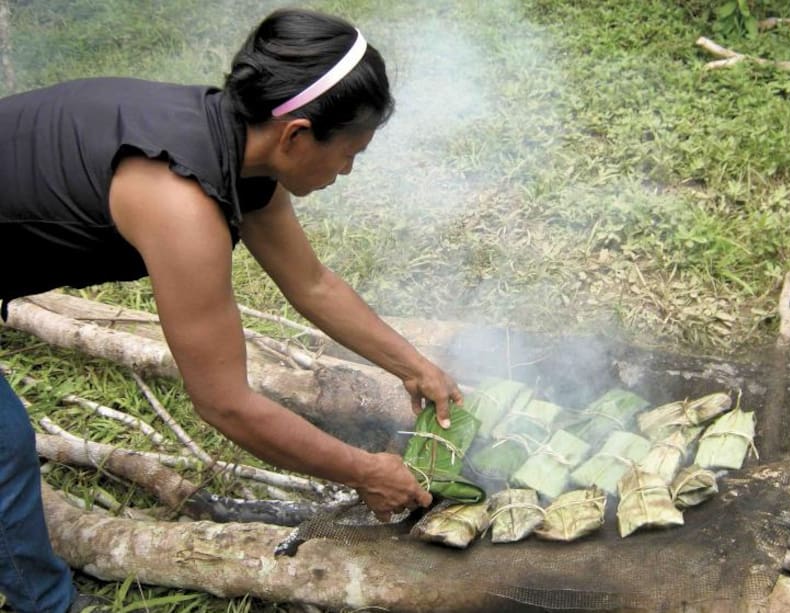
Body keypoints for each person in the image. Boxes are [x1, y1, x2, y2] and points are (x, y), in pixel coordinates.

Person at [0, 7, 461, 612]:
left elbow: (313, 284)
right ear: (297, 134)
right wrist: (365, 472)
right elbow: (224, 402)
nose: (348, 170)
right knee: (5, 448)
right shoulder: (179, 203)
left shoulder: (238, 144)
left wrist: (412, 365)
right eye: (351, 152)